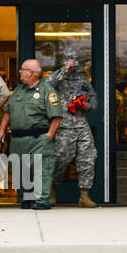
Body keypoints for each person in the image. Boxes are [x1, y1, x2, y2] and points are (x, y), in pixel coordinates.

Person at [0, 58, 63, 209]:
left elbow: (56, 117)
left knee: (41, 170)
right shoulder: (18, 90)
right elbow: (8, 112)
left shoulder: (47, 91)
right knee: (20, 170)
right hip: (18, 139)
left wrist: (49, 137)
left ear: (31, 73)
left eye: (23, 69)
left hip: (38, 138)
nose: (20, 72)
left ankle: (42, 201)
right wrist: (1, 129)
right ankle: (25, 199)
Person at [46, 51, 99, 207]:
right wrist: (63, 71)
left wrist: (85, 105)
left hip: (81, 124)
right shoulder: (56, 77)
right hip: (63, 126)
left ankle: (84, 195)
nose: (72, 64)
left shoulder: (82, 79)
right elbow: (46, 86)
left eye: (74, 61)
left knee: (88, 158)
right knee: (60, 160)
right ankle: (51, 191)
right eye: (69, 61)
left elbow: (93, 100)